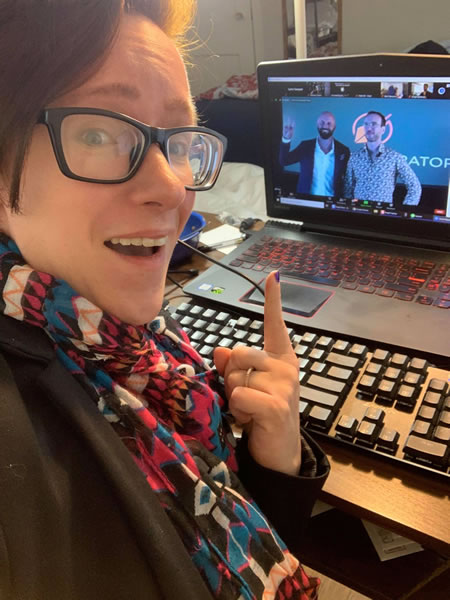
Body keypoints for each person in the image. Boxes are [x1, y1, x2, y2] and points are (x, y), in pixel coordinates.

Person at [0, 1, 329, 599]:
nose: (171, 187)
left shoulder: (118, 341)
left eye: (177, 140)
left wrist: (275, 462)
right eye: (98, 132)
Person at [344, 111, 422, 205]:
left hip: (383, 215)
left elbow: (415, 186)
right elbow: (347, 188)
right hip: (359, 214)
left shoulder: (394, 157)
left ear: (383, 129)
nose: (369, 127)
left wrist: (404, 209)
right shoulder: (354, 157)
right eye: (366, 124)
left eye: (374, 124)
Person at [279, 111, 350, 197]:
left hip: (332, 204)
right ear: (317, 124)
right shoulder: (305, 146)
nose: (325, 126)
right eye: (322, 122)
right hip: (307, 202)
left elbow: (348, 179)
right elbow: (284, 161)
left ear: (334, 127)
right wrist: (286, 138)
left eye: (329, 123)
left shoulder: (343, 151)